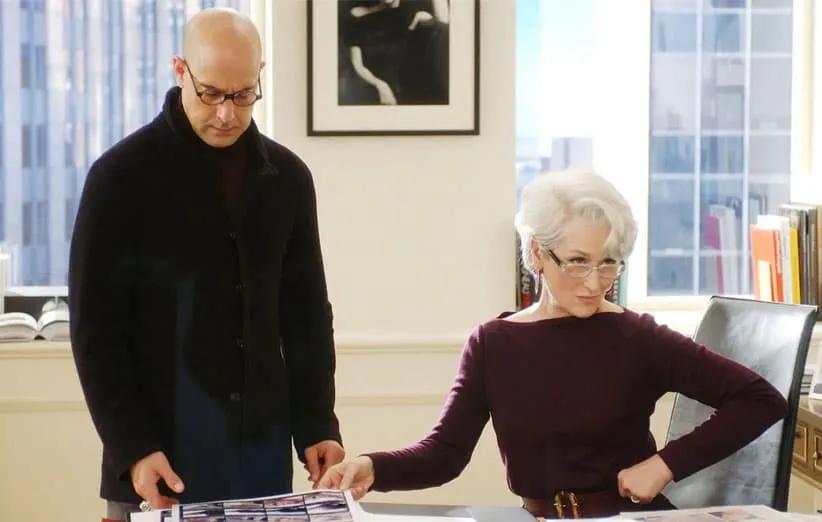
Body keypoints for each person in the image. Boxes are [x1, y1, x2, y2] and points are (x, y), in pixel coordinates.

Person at [316, 168, 788, 518]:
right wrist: (372, 467)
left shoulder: (639, 337)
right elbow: (445, 455)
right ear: (538, 254)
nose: (595, 282)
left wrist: (665, 464)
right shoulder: (493, 344)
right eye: (578, 261)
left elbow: (760, 399)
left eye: (609, 262)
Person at [68, 8, 344, 522]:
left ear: (259, 77)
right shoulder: (118, 178)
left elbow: (306, 316)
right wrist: (133, 447)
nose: (226, 114)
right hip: (156, 466)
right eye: (211, 93)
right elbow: (94, 331)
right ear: (180, 71)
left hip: (260, 463)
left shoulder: (288, 179)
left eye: (242, 95)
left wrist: (318, 425)